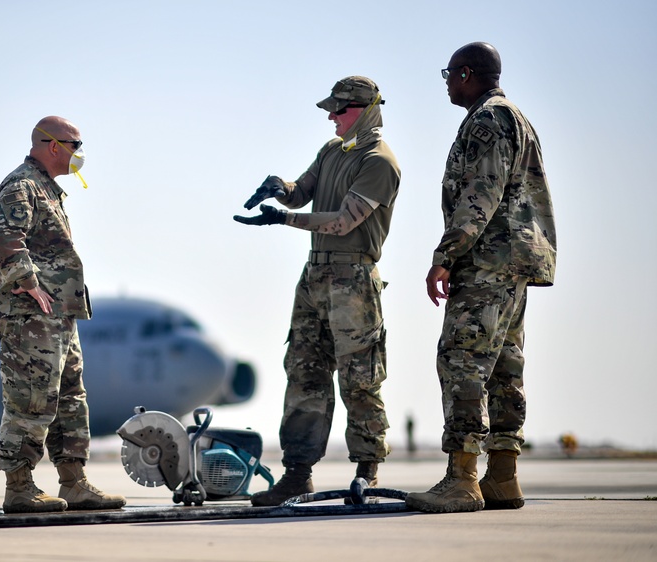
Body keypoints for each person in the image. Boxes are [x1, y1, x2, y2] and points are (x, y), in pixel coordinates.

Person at [234, 76, 401, 506]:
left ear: (364, 110)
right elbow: (302, 193)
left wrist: (282, 220)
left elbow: (344, 221)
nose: (331, 116)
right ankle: (297, 474)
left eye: (339, 109)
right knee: (304, 371)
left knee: (359, 378)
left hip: (353, 281)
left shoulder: (379, 161)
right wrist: (281, 188)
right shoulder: (332, 151)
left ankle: (367, 472)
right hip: (315, 278)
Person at [405, 43, 556, 513]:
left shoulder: (488, 120)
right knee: (505, 366)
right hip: (515, 261)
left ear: (467, 74)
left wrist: (446, 254)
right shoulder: (517, 118)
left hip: (487, 261)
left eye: (450, 74)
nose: (447, 82)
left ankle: (462, 478)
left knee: (462, 359)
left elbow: (481, 193)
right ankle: (503, 477)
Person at [0, 115, 125, 514]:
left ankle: (74, 483)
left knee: (69, 398)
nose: (79, 154)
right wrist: (28, 283)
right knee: (30, 398)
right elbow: (1, 237)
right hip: (30, 317)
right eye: (74, 145)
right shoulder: (21, 185)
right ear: (52, 145)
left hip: (59, 315)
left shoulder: (48, 189)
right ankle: (19, 487)